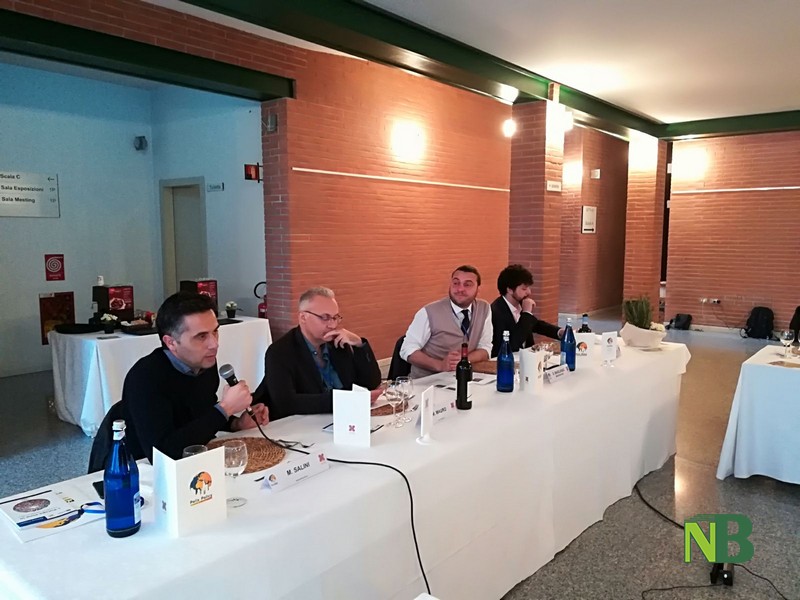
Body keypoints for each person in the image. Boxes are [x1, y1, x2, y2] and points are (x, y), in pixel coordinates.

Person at [120, 292, 268, 462]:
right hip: (141, 468)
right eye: (201, 336)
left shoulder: (204, 362)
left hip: (197, 458)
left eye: (215, 332)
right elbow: (163, 454)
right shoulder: (145, 378)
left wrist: (236, 424)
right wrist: (225, 408)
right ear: (171, 342)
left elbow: (202, 412)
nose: (214, 344)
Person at [254, 287, 382, 420]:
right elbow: (286, 403)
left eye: (335, 317)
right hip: (302, 425)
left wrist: (359, 344)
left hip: (345, 419)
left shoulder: (337, 342)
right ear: (303, 317)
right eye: (325, 318)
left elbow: (370, 384)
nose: (332, 325)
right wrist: (343, 400)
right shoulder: (280, 352)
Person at [400, 265, 492, 378]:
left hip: (464, 378)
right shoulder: (429, 312)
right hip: (427, 381)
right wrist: (440, 365)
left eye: (467, 284)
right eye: (456, 283)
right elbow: (407, 350)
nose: (460, 289)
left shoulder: (484, 309)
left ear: (478, 289)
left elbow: (485, 348)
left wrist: (464, 359)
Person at [490, 264, 563, 357]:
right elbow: (513, 343)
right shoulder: (496, 311)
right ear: (509, 290)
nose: (529, 292)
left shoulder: (520, 304)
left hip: (527, 358)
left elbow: (535, 324)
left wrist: (559, 332)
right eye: (524, 289)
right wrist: (526, 313)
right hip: (507, 360)